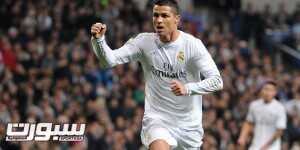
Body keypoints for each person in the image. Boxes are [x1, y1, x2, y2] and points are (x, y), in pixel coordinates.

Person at [90, 0, 223, 149]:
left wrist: (188, 89)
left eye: (165, 16)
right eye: (156, 15)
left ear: (177, 19)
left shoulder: (192, 45)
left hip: (189, 126)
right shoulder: (144, 42)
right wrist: (99, 41)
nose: (159, 20)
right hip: (158, 120)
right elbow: (109, 60)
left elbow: (217, 81)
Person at [238, 79, 287, 150]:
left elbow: (279, 131)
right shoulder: (254, 105)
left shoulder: (280, 108)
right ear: (261, 90)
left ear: (275, 92)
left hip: (272, 147)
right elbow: (248, 122)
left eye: (271, 90)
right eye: (266, 89)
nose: (268, 92)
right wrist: (242, 137)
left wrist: (266, 146)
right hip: (255, 145)